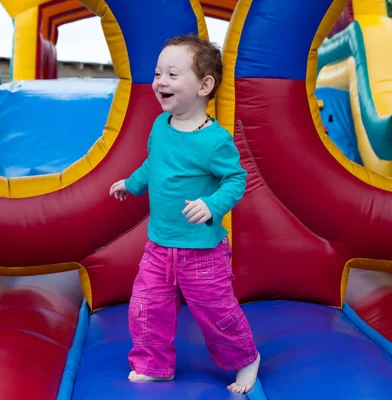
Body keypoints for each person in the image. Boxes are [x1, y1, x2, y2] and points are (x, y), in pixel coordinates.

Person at [109, 34, 260, 394]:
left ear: (204, 86)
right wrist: (131, 184)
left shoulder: (215, 141)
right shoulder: (161, 127)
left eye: (172, 74)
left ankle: (245, 358)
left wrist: (212, 204)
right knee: (147, 308)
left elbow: (236, 180)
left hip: (203, 252)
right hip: (159, 247)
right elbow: (154, 165)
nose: (160, 81)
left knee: (217, 314)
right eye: (158, 73)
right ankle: (154, 365)